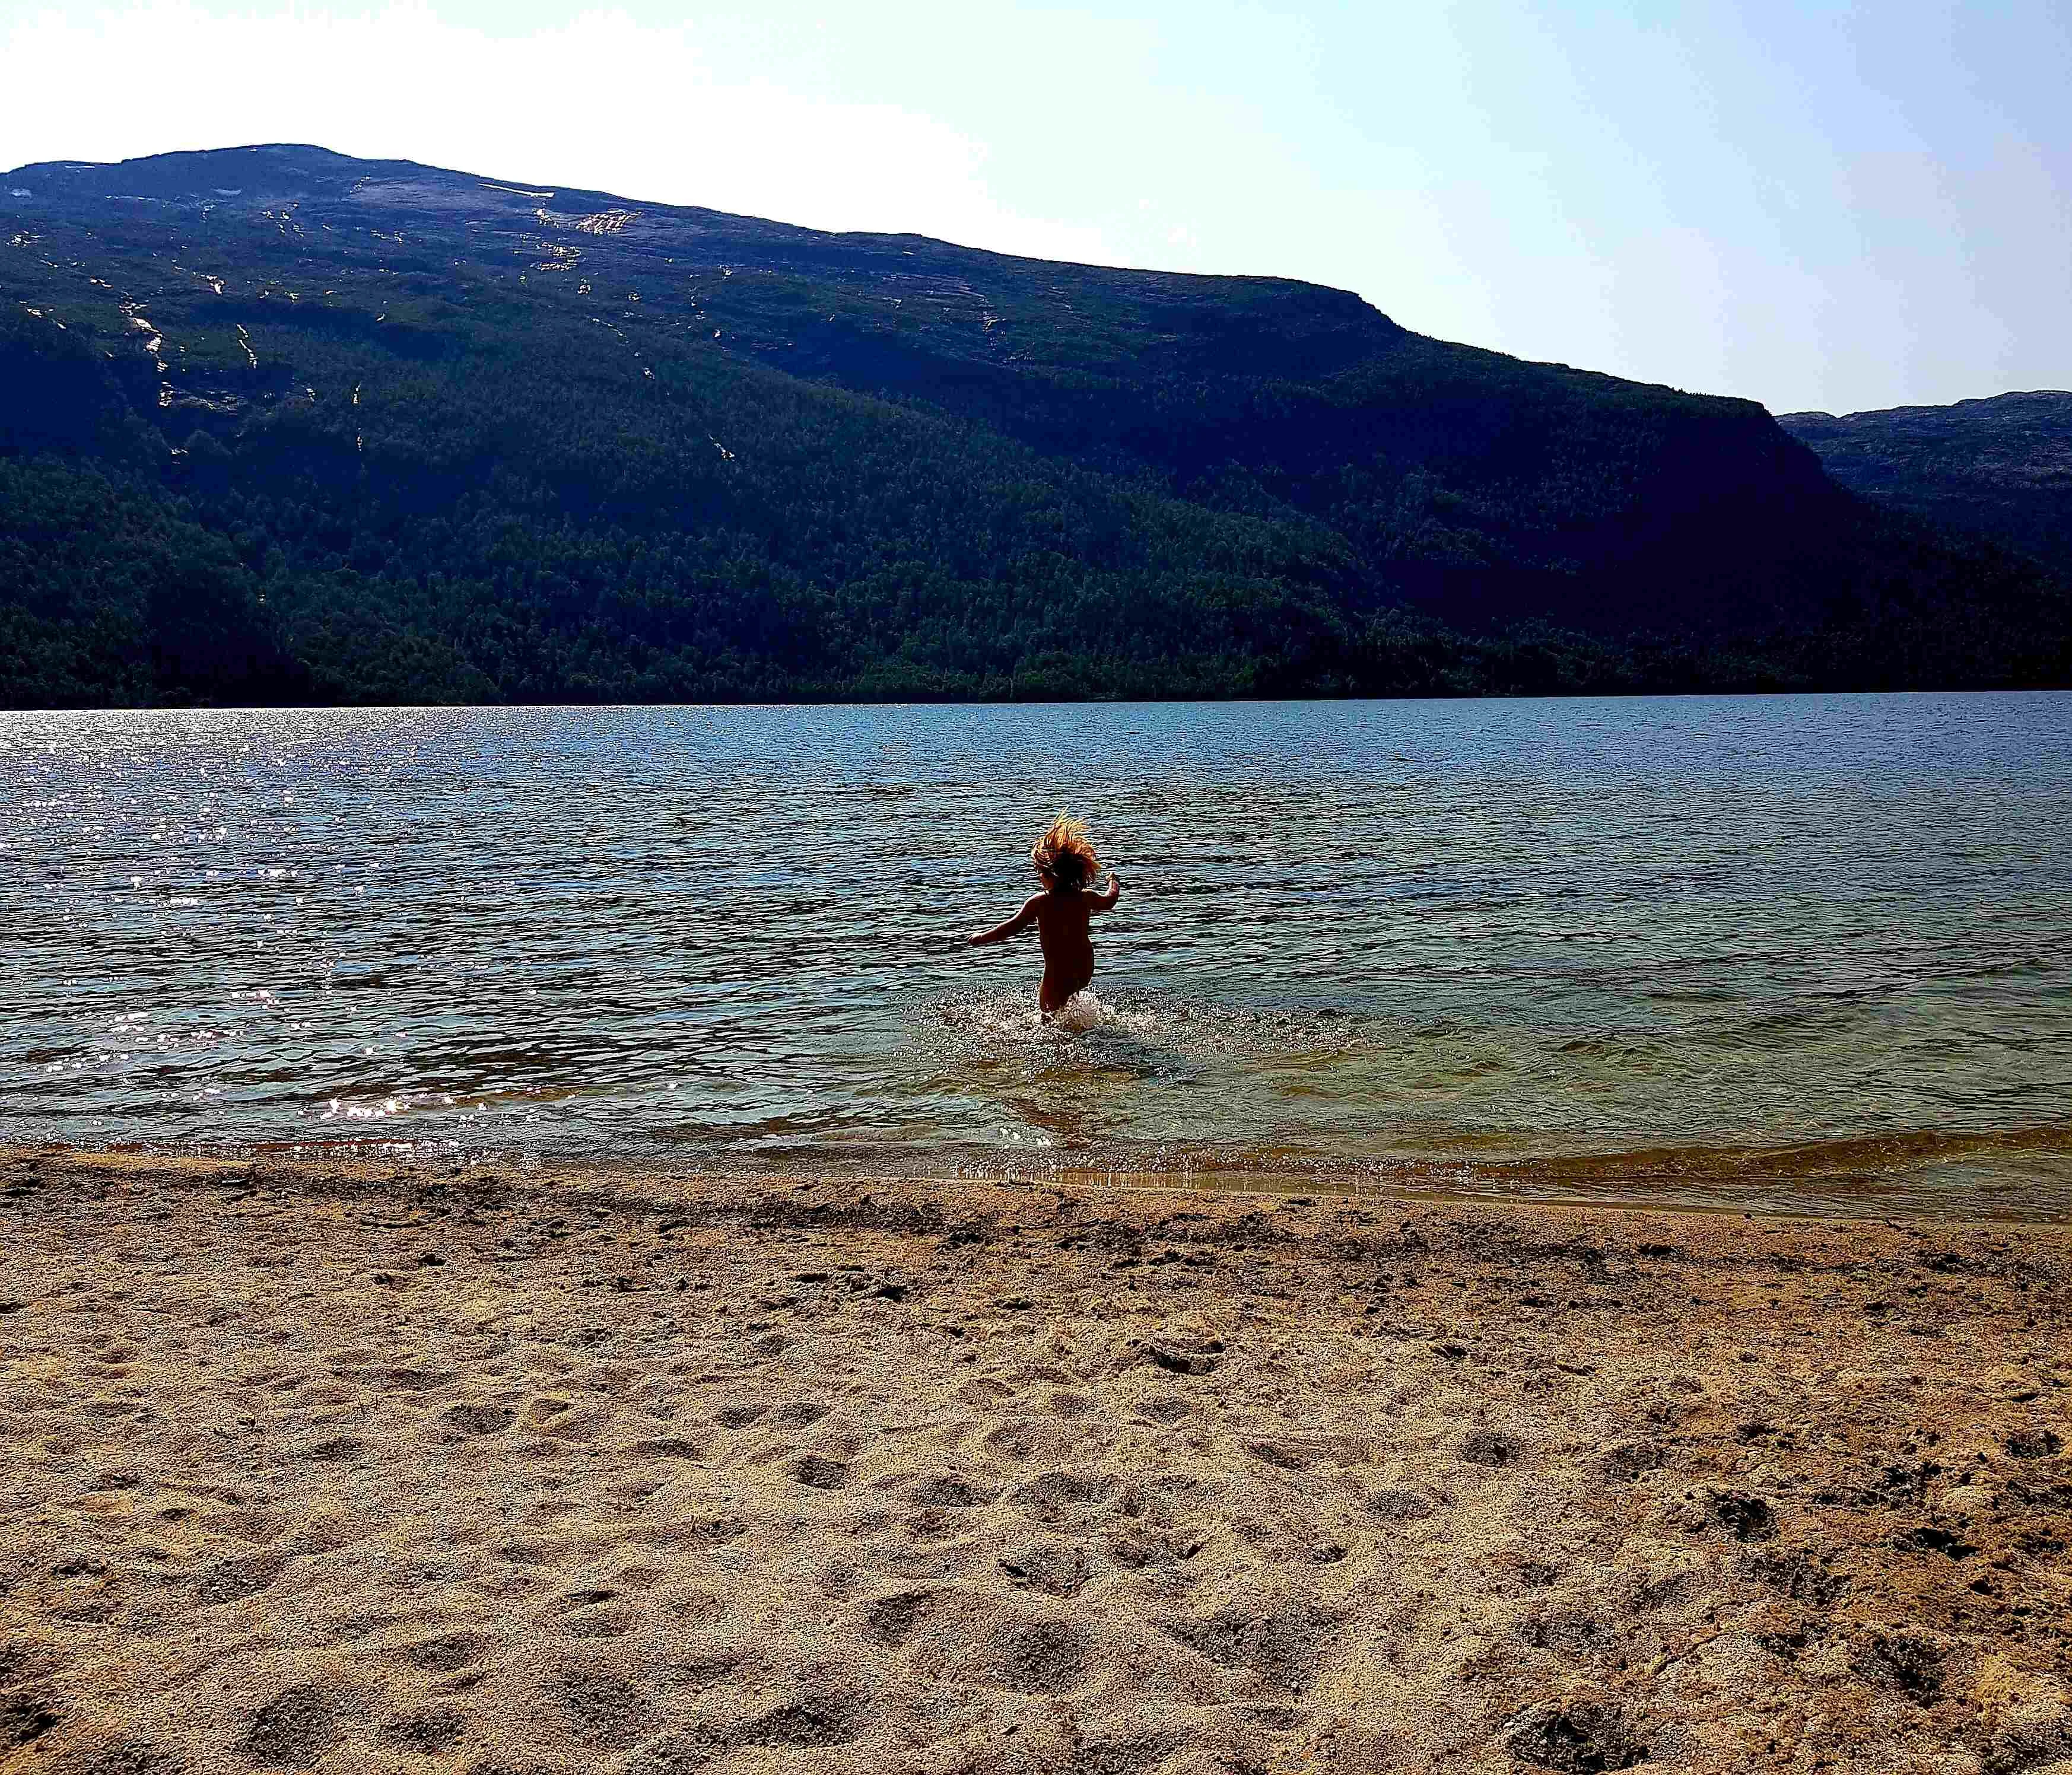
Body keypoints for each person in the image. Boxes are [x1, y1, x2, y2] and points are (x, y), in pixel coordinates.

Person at [968, 813, 1123, 1017]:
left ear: (1049, 875)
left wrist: (982, 937)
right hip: (1085, 965)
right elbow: (1110, 901)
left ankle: (1062, 1040)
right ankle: (1079, 1025)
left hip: (1057, 970)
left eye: (1039, 872)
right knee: (1068, 1002)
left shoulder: (1040, 902)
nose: (1038, 876)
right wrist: (1114, 883)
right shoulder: (1085, 897)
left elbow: (1012, 927)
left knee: (1048, 1013)